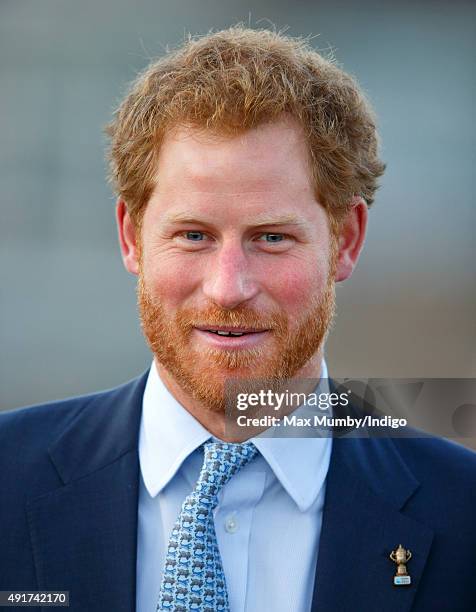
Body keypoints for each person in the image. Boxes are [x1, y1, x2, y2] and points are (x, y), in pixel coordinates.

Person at [0, 27, 475, 612]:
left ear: (346, 240)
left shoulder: (464, 514)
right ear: (131, 237)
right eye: (193, 235)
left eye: (272, 238)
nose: (229, 287)